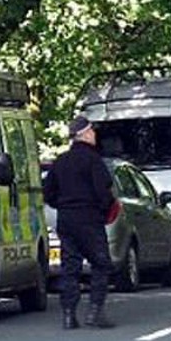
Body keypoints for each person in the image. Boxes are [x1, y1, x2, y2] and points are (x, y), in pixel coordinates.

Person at [42, 116, 116, 329]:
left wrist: (63, 205)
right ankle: (95, 311)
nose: (95, 135)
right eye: (92, 131)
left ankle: (68, 314)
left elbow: (48, 193)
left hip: (66, 219)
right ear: (84, 134)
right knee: (101, 263)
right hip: (90, 219)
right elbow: (105, 192)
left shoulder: (61, 162)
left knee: (70, 266)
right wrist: (103, 211)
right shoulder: (94, 161)